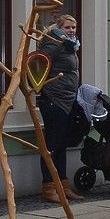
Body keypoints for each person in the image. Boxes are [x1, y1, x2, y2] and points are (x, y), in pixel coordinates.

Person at [37, 14, 84, 203]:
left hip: (67, 100)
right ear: (59, 28)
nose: (72, 30)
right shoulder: (55, 44)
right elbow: (39, 64)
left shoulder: (69, 45)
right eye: (68, 27)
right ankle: (48, 188)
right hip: (54, 100)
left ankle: (63, 186)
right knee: (52, 145)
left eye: (74, 27)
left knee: (62, 144)